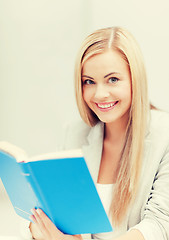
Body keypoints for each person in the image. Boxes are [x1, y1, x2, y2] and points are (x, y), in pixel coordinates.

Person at [22, 26, 169, 240]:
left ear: (134, 80)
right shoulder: (75, 134)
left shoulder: (164, 135)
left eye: (112, 79)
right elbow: (54, 212)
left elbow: (160, 224)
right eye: (89, 82)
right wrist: (38, 228)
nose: (100, 94)